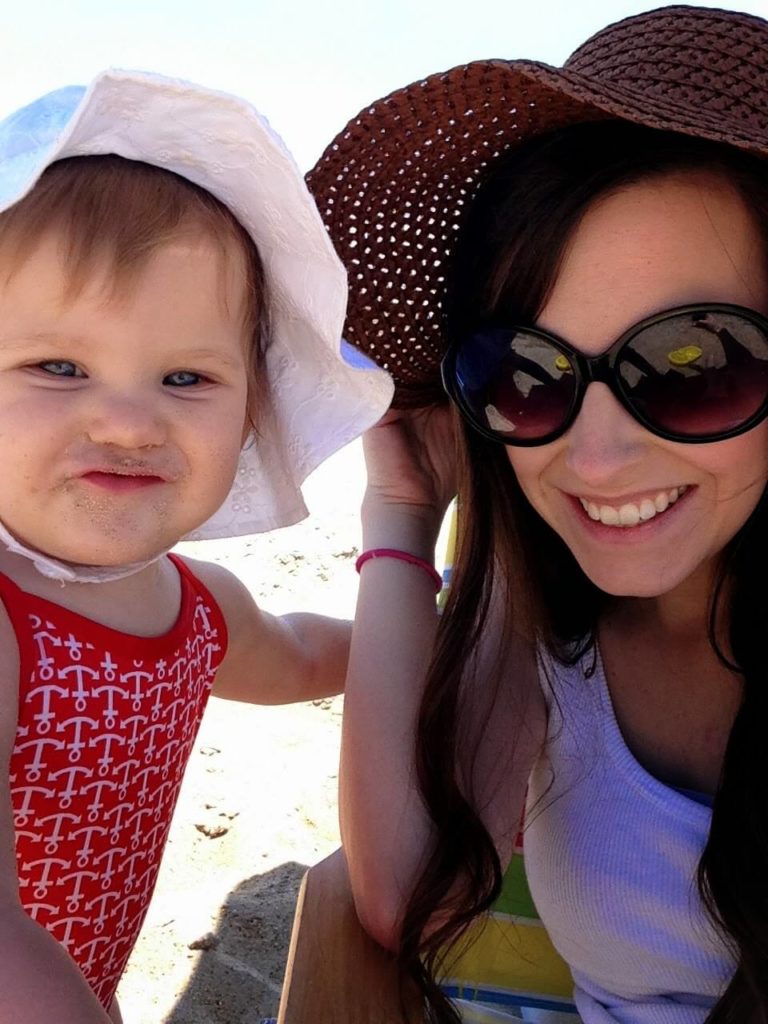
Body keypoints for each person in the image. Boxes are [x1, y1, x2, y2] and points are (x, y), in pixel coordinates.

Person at [306, 5, 768, 1022]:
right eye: (527, 373)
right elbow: (409, 892)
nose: (591, 456)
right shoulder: (554, 602)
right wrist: (399, 509)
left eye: (692, 365)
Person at [0, 70, 393, 1023]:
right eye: (60, 366)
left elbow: (306, 654)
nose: (131, 423)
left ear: (254, 414)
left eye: (186, 376)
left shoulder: (197, 605)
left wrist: (441, 616)